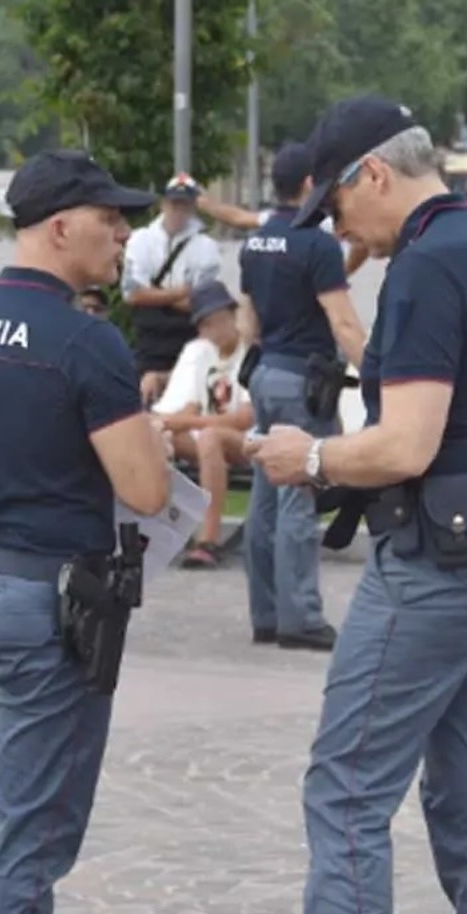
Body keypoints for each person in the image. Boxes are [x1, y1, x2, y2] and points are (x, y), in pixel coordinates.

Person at [247, 95, 467, 914]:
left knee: (345, 788)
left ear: (373, 173)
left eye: (339, 205)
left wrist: (307, 460)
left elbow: (408, 445)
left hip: (443, 557)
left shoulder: (426, 265)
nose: (342, 232)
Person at [0, 148, 173, 914]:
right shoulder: (86, 343)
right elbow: (149, 493)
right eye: (110, 219)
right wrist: (147, 440)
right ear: (61, 227)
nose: (125, 235)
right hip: (45, 611)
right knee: (28, 841)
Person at [235, 142, 368, 650]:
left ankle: (266, 614)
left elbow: (249, 317)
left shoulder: (259, 242)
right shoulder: (316, 244)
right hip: (304, 381)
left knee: (265, 500)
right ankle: (301, 617)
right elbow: (341, 319)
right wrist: (376, 377)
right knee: (299, 492)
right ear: (311, 185)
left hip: (266, 371)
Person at [150, 279, 255, 568]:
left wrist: (182, 421)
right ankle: (154, 532)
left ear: (233, 316)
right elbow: (189, 405)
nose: (215, 329)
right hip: (206, 439)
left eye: (220, 320)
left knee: (209, 436)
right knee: (157, 437)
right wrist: (165, 425)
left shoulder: (250, 351)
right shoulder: (200, 351)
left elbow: (245, 419)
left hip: (247, 441)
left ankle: (207, 539)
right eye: (207, 324)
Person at [121, 174, 224, 405]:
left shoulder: (207, 248)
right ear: (163, 203)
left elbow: (202, 303)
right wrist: (180, 293)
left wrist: (154, 295)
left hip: (187, 339)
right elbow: (132, 294)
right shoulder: (140, 241)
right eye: (174, 203)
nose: (178, 210)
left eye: (184, 204)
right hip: (148, 343)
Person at [183, 168, 372, 278]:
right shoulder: (324, 221)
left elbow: (239, 218)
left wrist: (206, 204)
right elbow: (362, 243)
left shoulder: (276, 219)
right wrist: (340, 274)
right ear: (308, 183)